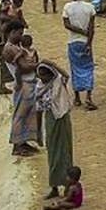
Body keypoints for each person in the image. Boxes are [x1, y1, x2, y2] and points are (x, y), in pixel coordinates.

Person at [35, 62, 75, 201]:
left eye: (44, 74)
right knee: (53, 154)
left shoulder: (58, 82)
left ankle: (68, 185)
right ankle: (54, 187)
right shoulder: (39, 87)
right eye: (40, 74)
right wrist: (38, 132)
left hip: (62, 118)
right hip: (50, 120)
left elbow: (65, 74)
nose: (41, 77)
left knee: (65, 152)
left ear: (50, 74)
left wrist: (50, 63)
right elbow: (38, 110)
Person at [3, 20, 40, 156]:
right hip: (23, 84)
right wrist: (38, 65)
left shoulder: (15, 46)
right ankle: (17, 145)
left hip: (27, 83)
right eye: (19, 33)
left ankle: (23, 141)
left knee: (27, 114)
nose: (21, 36)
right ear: (12, 33)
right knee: (21, 114)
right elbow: (23, 67)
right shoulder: (10, 49)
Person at [62, 0, 97, 110]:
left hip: (73, 42)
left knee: (75, 68)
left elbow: (67, 25)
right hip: (85, 42)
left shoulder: (67, 7)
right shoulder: (90, 8)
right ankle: (88, 96)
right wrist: (89, 42)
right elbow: (92, 28)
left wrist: (80, 31)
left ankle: (77, 97)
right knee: (88, 68)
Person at [0, 0, 15, 95]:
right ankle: (4, 85)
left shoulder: (1, 6)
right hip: (8, 37)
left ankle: (2, 85)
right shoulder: (8, 6)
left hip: (3, 37)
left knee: (3, 62)